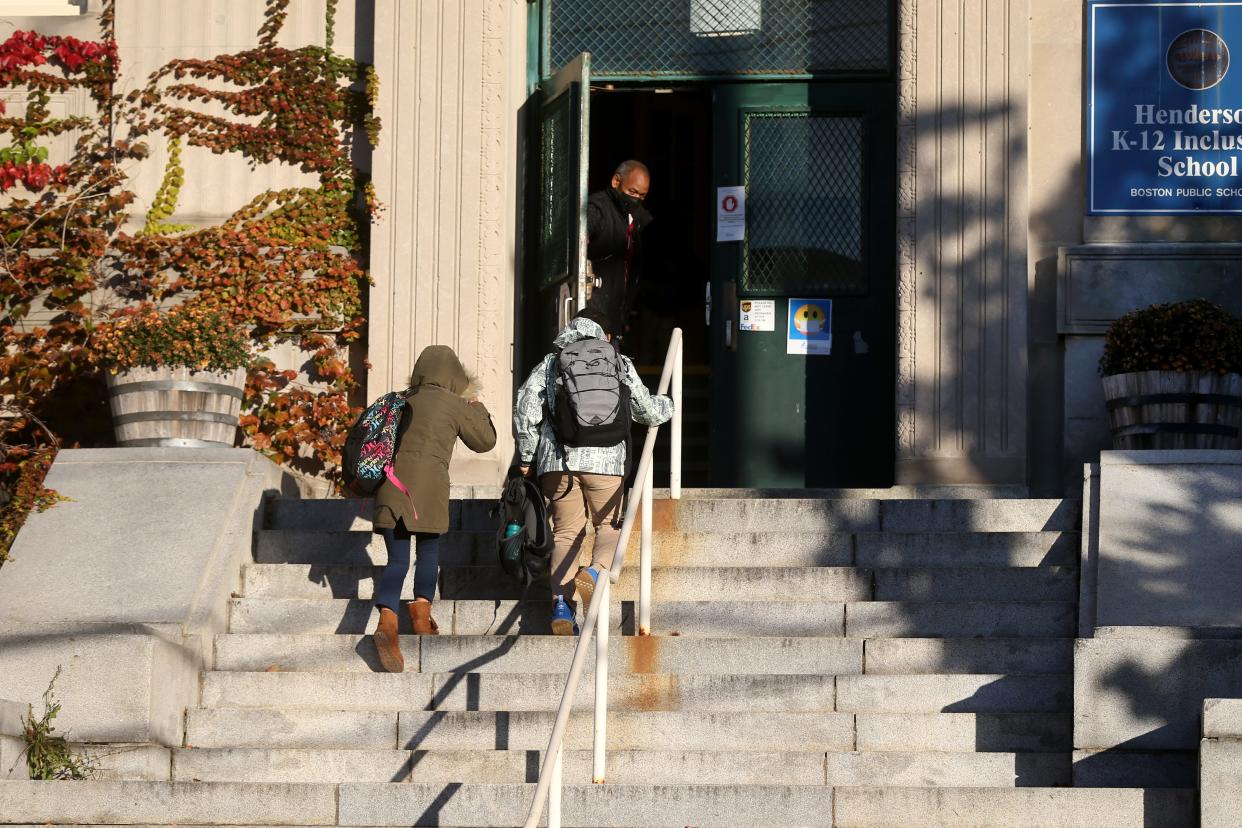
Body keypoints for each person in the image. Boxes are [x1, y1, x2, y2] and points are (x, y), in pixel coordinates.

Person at [513, 308, 673, 635]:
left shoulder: (550, 363)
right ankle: (597, 572)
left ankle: (561, 603)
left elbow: (526, 409)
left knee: (566, 532)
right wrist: (669, 404)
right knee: (609, 525)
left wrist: (527, 457)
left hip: (558, 463)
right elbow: (646, 411)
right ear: (607, 335)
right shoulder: (619, 361)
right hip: (607, 462)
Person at [371, 345, 497, 672]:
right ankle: (422, 617)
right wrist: (479, 409)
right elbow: (484, 441)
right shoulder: (455, 405)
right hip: (428, 491)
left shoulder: (399, 400)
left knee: (397, 560)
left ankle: (386, 622)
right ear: (454, 376)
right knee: (429, 553)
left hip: (391, 486)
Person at [585, 159, 653, 342]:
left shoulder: (634, 220)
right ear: (616, 181)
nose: (636, 199)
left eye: (642, 196)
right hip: (594, 321)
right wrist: (597, 320)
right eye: (632, 191)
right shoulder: (597, 210)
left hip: (615, 321)